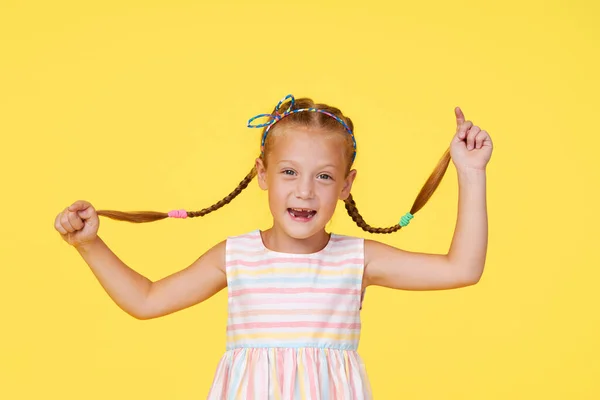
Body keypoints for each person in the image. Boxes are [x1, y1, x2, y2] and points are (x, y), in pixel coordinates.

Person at [54, 94, 493, 399]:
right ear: (262, 174)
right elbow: (146, 299)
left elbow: (462, 269)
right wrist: (90, 245)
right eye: (288, 173)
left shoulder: (357, 260)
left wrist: (470, 172)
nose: (305, 191)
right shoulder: (236, 257)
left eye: (323, 176)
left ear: (346, 185)